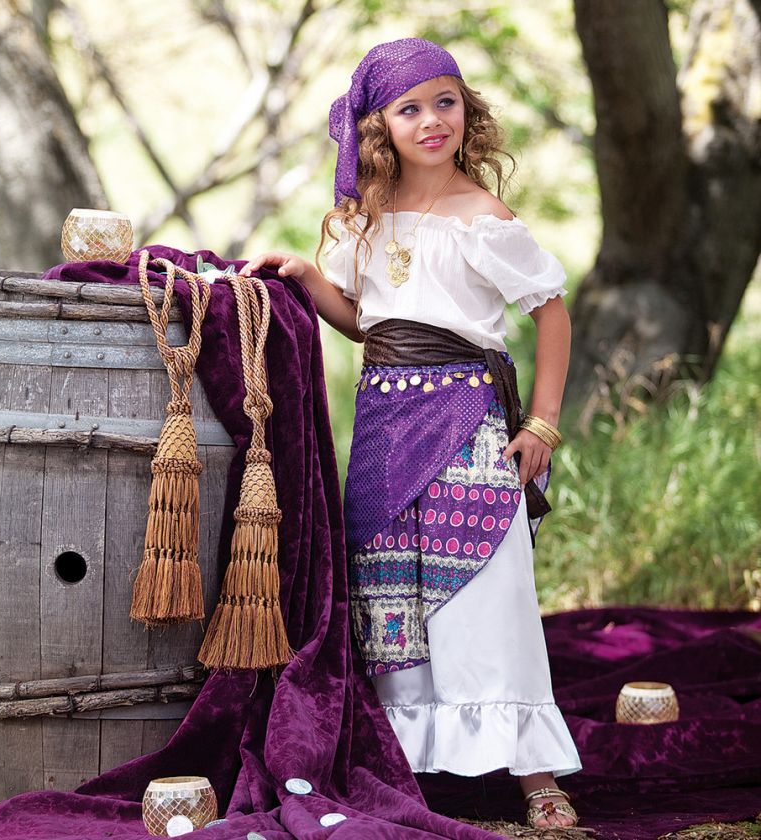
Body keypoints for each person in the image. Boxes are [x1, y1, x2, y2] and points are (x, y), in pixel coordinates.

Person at [240, 38, 582, 830]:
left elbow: (551, 313)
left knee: (487, 590)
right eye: (409, 108)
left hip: (468, 420)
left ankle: (535, 777)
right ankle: (411, 761)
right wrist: (307, 277)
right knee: (395, 594)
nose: (432, 121)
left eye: (446, 101)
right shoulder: (367, 222)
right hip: (389, 424)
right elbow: (369, 323)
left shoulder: (486, 219)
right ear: (378, 128)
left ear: (469, 111)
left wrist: (543, 423)